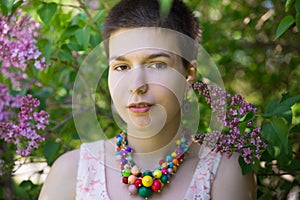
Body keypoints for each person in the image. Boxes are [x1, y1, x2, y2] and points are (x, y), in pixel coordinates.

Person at [39, 0, 256, 199]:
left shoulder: (224, 172)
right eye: (122, 67)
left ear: (189, 72)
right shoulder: (71, 172)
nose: (136, 85)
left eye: (157, 64)